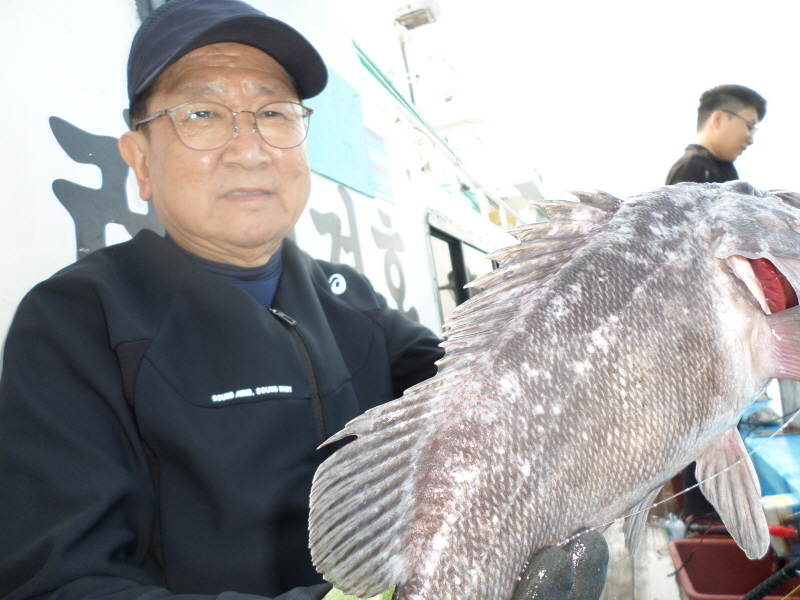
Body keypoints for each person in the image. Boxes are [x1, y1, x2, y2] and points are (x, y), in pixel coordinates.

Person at [0, 1, 606, 599]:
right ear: (140, 161)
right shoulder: (77, 322)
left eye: (274, 112)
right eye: (204, 113)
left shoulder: (354, 303)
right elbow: (60, 582)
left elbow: (495, 391)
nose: (251, 148)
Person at [665, 84, 766, 185]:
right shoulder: (693, 166)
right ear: (718, 119)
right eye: (749, 127)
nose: (751, 141)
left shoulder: (725, 169)